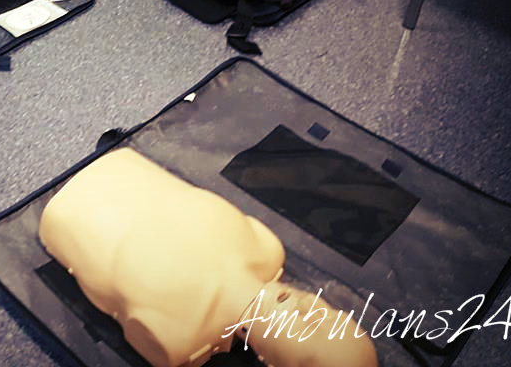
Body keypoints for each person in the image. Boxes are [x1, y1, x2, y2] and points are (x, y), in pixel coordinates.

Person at [38, 148, 377, 367]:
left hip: (67, 212)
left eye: (309, 336)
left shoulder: (176, 339)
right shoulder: (266, 252)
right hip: (125, 166)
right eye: (331, 316)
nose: (307, 308)